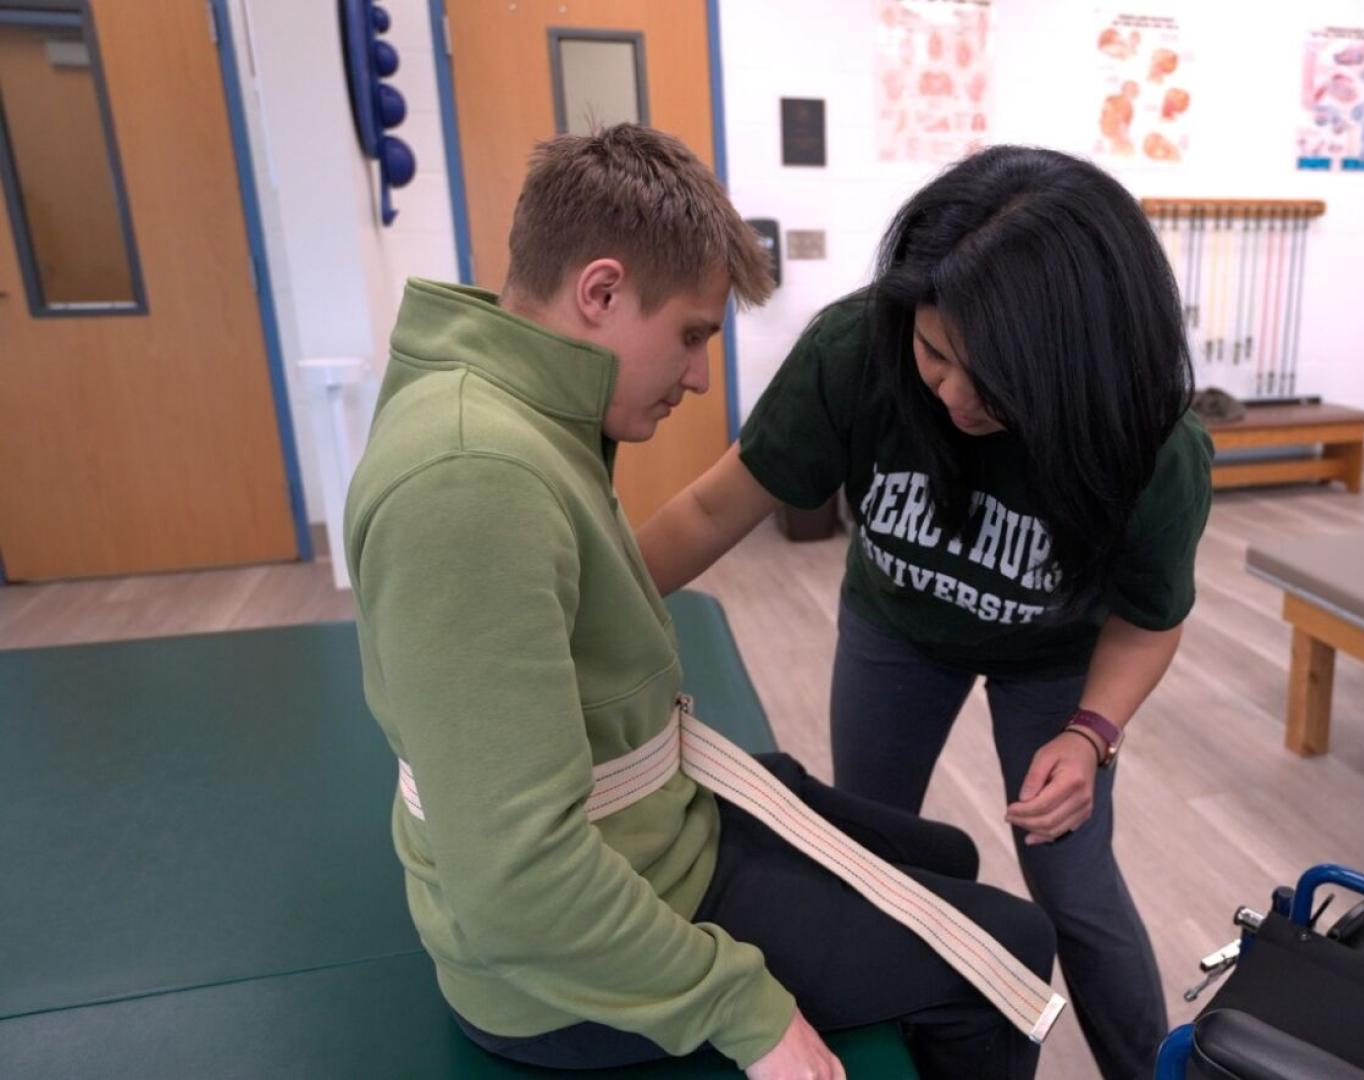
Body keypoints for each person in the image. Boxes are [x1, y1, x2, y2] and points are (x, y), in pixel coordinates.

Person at [345, 124, 1055, 1080]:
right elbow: (516, 882)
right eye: (690, 335)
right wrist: (741, 1008)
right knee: (1009, 953)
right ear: (599, 292)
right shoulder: (473, 478)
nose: (699, 375)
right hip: (563, 969)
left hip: (649, 837)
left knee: (947, 854)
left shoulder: (518, 410)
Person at [640, 144, 1213, 1078]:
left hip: (1055, 658)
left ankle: (1148, 1070)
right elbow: (711, 508)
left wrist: (1091, 733)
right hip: (898, 629)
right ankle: (912, 1038)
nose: (951, 397)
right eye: (935, 354)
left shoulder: (1151, 441)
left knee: (1072, 883)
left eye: (993, 384)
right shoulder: (855, 349)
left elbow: (1149, 621)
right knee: (871, 846)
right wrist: (573, 609)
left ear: (1075, 369)